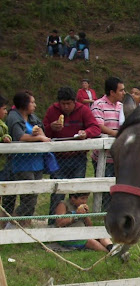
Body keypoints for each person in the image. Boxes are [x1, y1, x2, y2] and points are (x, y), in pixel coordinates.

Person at [43, 86, 101, 221]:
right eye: (63, 104)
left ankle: (78, 220)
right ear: (59, 103)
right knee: (57, 191)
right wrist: (51, 127)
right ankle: (53, 221)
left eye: (68, 103)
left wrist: (86, 133)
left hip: (78, 157)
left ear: (74, 102)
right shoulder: (52, 110)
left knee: (77, 191)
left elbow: (95, 127)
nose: (66, 107)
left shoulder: (83, 110)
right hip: (58, 158)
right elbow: (43, 130)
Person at [4, 91, 51, 224]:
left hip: (37, 163)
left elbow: (43, 132)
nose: (35, 105)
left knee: (33, 196)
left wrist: (39, 134)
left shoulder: (32, 118)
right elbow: (20, 136)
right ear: (24, 104)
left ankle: (25, 225)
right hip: (22, 164)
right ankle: (13, 224)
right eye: (32, 102)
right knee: (28, 197)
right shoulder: (14, 117)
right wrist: (39, 137)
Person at [91, 77, 125, 209]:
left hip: (120, 156)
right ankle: (103, 212)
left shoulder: (122, 107)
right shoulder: (98, 105)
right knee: (105, 188)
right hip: (104, 157)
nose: (123, 93)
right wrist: (118, 135)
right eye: (121, 90)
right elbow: (99, 126)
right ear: (112, 92)